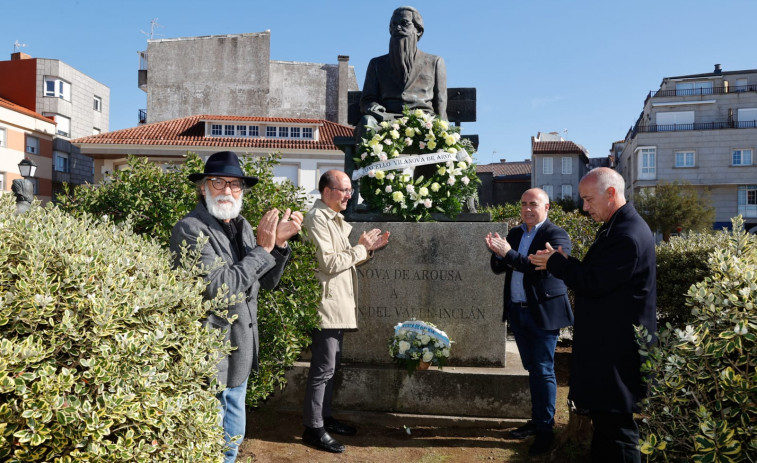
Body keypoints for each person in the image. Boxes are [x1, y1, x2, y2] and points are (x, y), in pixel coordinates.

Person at [169, 151, 303, 463]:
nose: (228, 190)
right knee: (211, 442)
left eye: (235, 184)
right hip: (210, 353)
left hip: (239, 350)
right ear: (203, 187)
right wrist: (263, 249)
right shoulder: (190, 229)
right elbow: (215, 289)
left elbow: (263, 283)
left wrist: (278, 246)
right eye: (219, 182)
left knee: (232, 439)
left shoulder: (242, 226)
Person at [528, 168, 657, 463]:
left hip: (616, 352)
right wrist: (562, 261)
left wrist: (558, 264)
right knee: (607, 427)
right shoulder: (619, 226)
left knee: (618, 431)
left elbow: (593, 282)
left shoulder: (627, 234)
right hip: (610, 348)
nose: (584, 207)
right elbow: (597, 276)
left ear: (611, 193)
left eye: (588, 199)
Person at [301, 170, 389, 453]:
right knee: (323, 369)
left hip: (336, 304)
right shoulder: (316, 219)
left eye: (350, 190)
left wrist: (365, 249)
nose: (349, 196)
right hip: (325, 305)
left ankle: (323, 418)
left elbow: (343, 260)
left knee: (330, 367)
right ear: (327, 191)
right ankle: (313, 428)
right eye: (345, 190)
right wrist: (361, 249)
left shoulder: (333, 220)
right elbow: (328, 262)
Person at [485, 188, 573, 456]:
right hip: (517, 311)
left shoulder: (556, 235)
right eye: (523, 204)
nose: (526, 209)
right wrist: (498, 252)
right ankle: (537, 422)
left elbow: (536, 265)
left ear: (547, 207)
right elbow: (499, 267)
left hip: (543, 313)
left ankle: (546, 431)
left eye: (533, 204)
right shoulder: (515, 233)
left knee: (544, 369)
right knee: (533, 369)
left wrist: (508, 254)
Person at [356, 6, 447, 143]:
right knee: (366, 121)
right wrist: (372, 106)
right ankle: (366, 164)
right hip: (387, 121)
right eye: (393, 25)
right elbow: (367, 99)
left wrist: (444, 128)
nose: (397, 28)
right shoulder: (377, 64)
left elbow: (440, 101)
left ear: (418, 30)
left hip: (424, 123)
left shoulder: (434, 62)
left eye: (404, 23)